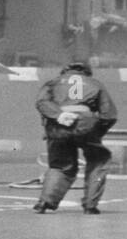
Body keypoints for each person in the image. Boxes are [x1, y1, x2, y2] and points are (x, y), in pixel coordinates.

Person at [33, 61, 118, 214]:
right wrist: (96, 132)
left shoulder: (53, 83)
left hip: (58, 126)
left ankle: (44, 202)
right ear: (86, 72)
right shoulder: (95, 83)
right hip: (86, 125)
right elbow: (109, 115)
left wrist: (59, 115)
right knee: (98, 161)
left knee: (60, 166)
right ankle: (90, 206)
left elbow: (41, 102)